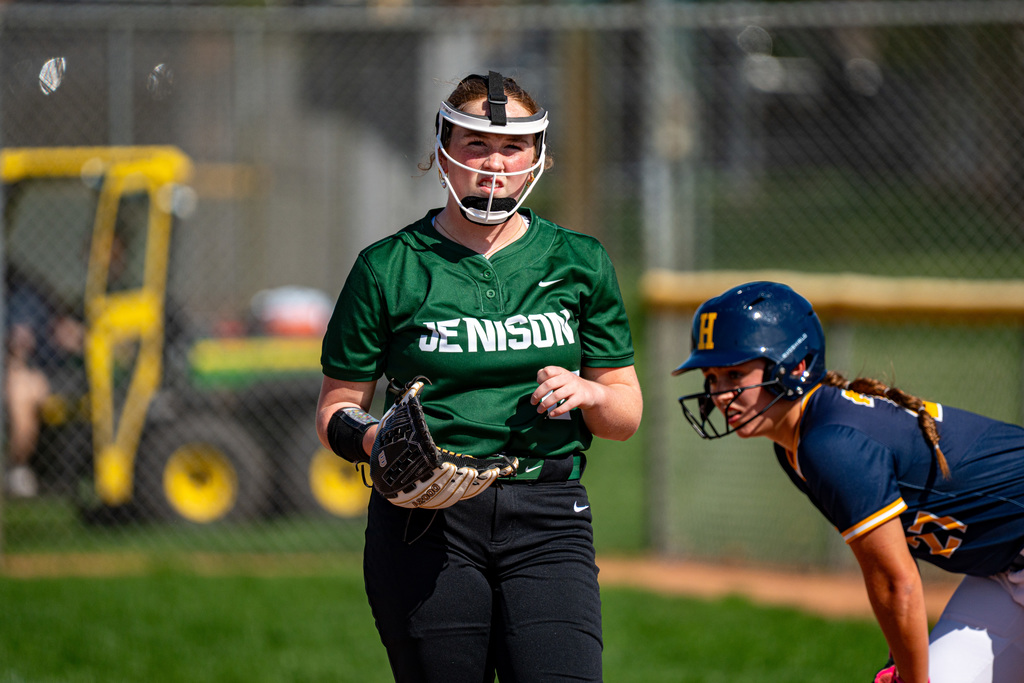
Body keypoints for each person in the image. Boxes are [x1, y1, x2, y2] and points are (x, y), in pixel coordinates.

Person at [316, 71, 642, 682]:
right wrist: (379, 441)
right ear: (442, 150)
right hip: (426, 517)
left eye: (512, 147)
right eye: (475, 144)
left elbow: (624, 416)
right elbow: (336, 408)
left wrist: (593, 392)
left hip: (547, 511)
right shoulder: (388, 267)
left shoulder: (579, 259)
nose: (494, 164)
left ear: (537, 158)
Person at [672, 280, 1024, 683]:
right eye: (712, 377)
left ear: (796, 365)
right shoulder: (799, 445)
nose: (719, 394)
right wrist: (904, 663)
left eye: (735, 373)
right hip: (1001, 571)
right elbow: (895, 567)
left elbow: (897, 583)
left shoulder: (830, 444)